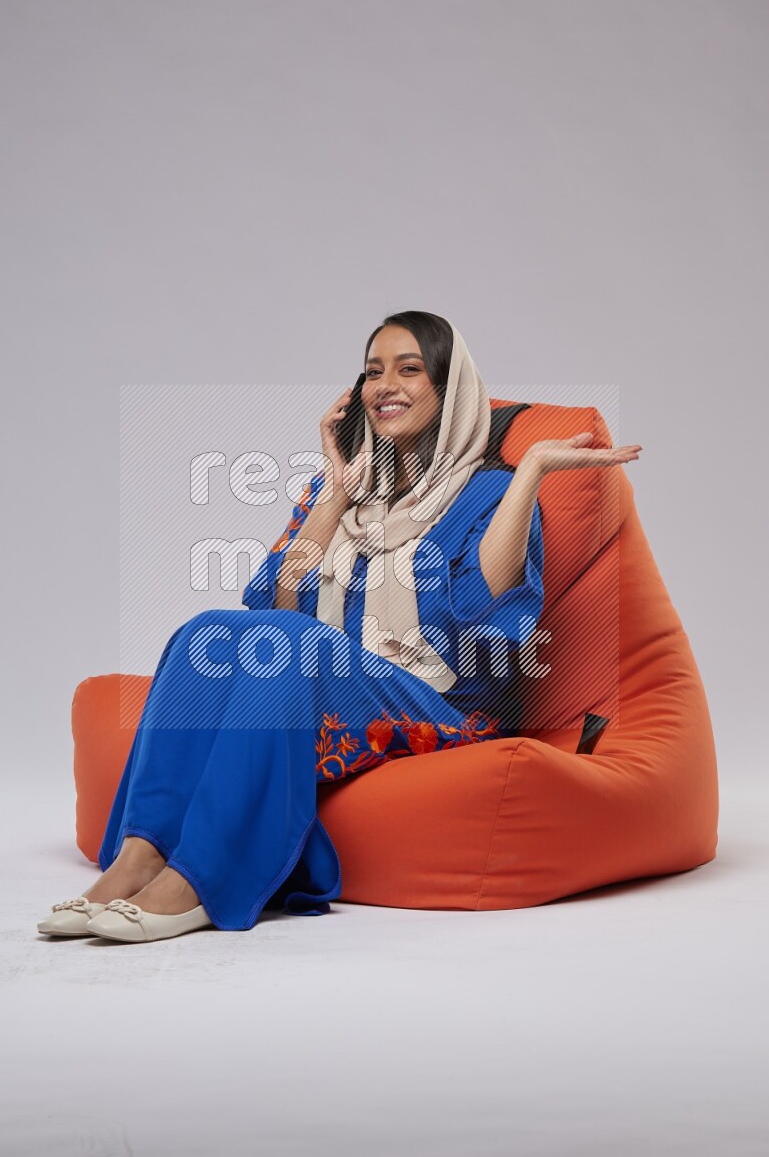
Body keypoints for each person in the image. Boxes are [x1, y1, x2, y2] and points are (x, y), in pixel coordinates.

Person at [37, 310, 641, 943]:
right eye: (373, 371)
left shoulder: (487, 492)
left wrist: (530, 473)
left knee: (302, 646)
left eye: (410, 370)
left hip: (441, 707)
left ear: (450, 390)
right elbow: (272, 608)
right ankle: (138, 856)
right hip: (331, 679)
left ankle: (201, 881)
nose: (387, 385)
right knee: (204, 632)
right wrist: (335, 495)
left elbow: (479, 613)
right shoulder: (345, 495)